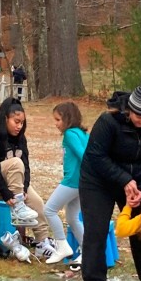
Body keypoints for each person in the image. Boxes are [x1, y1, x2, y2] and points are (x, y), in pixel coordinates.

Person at [79, 74, 141, 281]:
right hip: (98, 181)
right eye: (138, 116)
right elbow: (95, 156)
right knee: (97, 229)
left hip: (136, 184)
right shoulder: (108, 121)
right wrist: (124, 179)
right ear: (129, 109)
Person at [0, 97, 55, 259]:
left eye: (22, 123)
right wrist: (7, 194)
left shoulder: (20, 139)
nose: (19, 126)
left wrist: (23, 189)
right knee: (15, 163)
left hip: (11, 184)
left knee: (37, 201)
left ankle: (42, 242)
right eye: (16, 122)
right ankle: (18, 209)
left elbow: (26, 167)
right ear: (5, 119)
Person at [43, 102, 89, 265]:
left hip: (72, 182)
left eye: (58, 120)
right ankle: (87, 252)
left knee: (49, 210)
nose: (55, 124)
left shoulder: (70, 134)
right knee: (72, 217)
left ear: (68, 119)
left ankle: (62, 245)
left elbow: (84, 155)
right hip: (82, 183)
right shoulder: (82, 133)